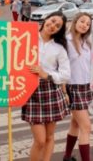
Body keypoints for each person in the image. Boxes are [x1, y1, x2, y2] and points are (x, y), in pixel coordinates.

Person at [21, 12, 71, 161]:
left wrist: (46, 75)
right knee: (40, 140)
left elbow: (66, 74)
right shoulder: (26, 37)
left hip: (50, 90)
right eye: (52, 21)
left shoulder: (59, 48)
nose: (53, 26)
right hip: (30, 90)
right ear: (46, 19)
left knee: (49, 137)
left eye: (57, 26)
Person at [63, 13, 93, 161]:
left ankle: (67, 156)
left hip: (85, 86)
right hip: (73, 87)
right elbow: (61, 68)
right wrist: (64, 92)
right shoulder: (66, 41)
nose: (84, 25)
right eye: (82, 21)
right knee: (86, 127)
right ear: (75, 21)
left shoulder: (86, 43)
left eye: (87, 24)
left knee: (75, 123)